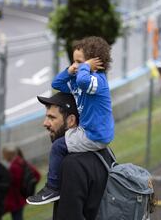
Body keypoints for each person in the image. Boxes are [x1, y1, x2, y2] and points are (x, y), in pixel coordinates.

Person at [27, 36, 114, 205]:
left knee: (59, 146)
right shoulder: (79, 79)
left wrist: (86, 67)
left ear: (96, 63)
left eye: (79, 62)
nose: (75, 66)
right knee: (65, 142)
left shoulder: (98, 81)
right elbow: (56, 83)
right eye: (73, 62)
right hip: (88, 130)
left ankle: (52, 188)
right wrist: (70, 70)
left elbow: (83, 81)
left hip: (94, 134)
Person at [30, 92, 114, 219]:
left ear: (71, 121)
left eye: (52, 118)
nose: (45, 123)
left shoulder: (72, 164)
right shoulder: (105, 151)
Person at [2, 146, 41, 220]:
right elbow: (37, 175)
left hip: (15, 200)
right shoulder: (22, 161)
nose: (3, 157)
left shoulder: (14, 166)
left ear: (8, 155)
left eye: (4, 155)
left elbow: (14, 183)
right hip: (21, 197)